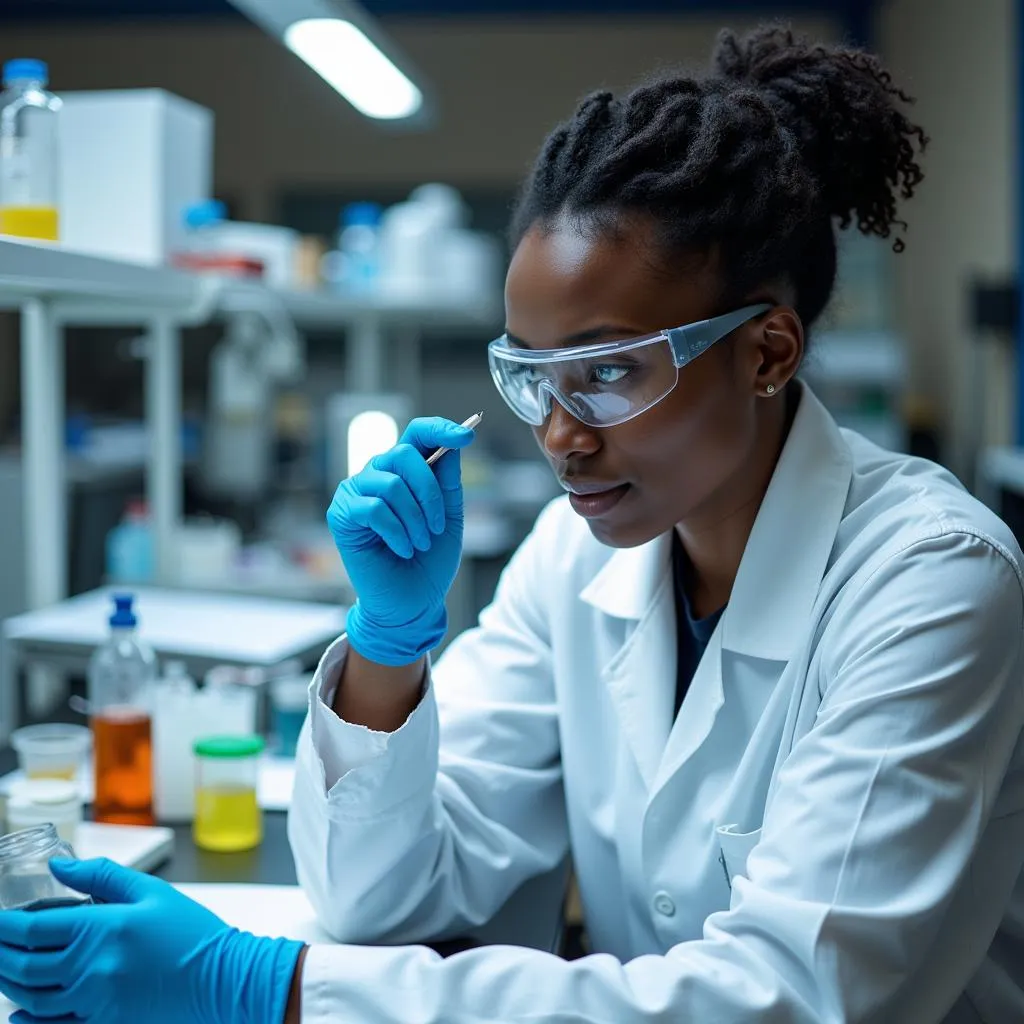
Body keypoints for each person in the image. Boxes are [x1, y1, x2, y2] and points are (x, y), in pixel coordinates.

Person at [0, 23, 1021, 1024]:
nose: (559, 436)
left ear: (765, 352)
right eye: (529, 380)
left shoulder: (931, 582)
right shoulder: (572, 555)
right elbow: (381, 897)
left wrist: (267, 986)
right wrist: (385, 649)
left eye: (610, 371)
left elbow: (791, 997)